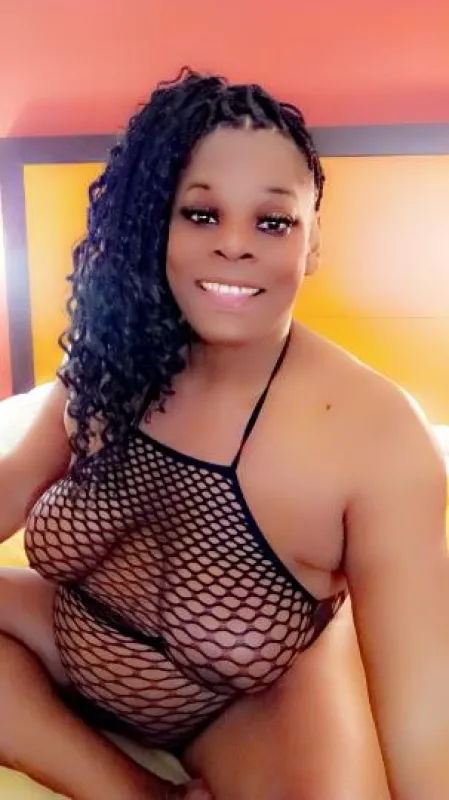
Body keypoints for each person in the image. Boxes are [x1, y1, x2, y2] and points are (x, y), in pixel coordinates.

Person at [0, 68, 447, 800]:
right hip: (67, 635)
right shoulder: (108, 360)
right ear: (157, 223)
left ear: (312, 241)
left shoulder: (378, 440)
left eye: (272, 222)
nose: (234, 245)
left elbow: (426, 715)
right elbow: (11, 487)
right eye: (201, 214)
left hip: (239, 706)